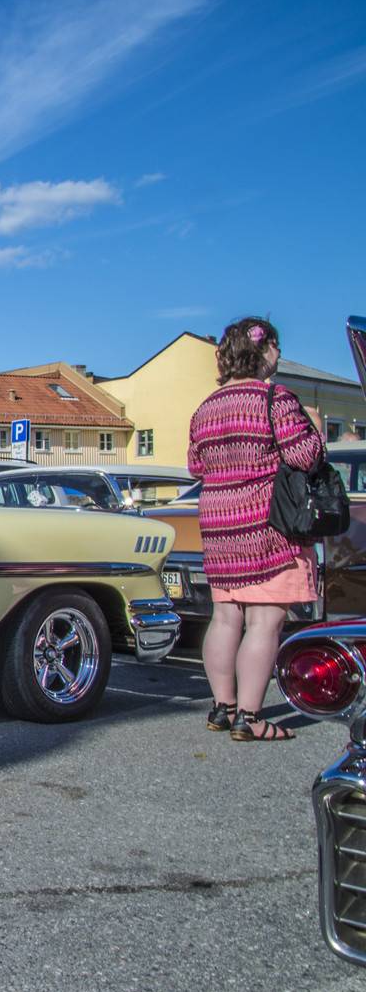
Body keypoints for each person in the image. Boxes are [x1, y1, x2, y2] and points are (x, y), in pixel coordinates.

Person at [188, 317, 318, 741]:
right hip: (266, 525)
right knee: (264, 621)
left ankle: (222, 707)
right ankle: (250, 716)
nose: (279, 355)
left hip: (219, 527)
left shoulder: (205, 407)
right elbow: (304, 455)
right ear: (262, 351)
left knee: (225, 617)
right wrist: (313, 423)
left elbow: (195, 465)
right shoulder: (275, 399)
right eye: (275, 347)